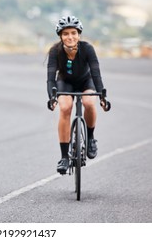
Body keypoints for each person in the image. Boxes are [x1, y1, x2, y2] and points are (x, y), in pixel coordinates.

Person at [46, 16, 107, 174]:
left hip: (86, 82)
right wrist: (52, 97)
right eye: (65, 33)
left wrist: (102, 96)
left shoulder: (87, 49)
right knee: (65, 108)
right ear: (60, 36)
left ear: (79, 34)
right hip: (65, 83)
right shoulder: (55, 51)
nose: (70, 37)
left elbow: (96, 74)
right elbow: (50, 78)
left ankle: (90, 138)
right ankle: (64, 157)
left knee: (88, 102)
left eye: (73, 32)